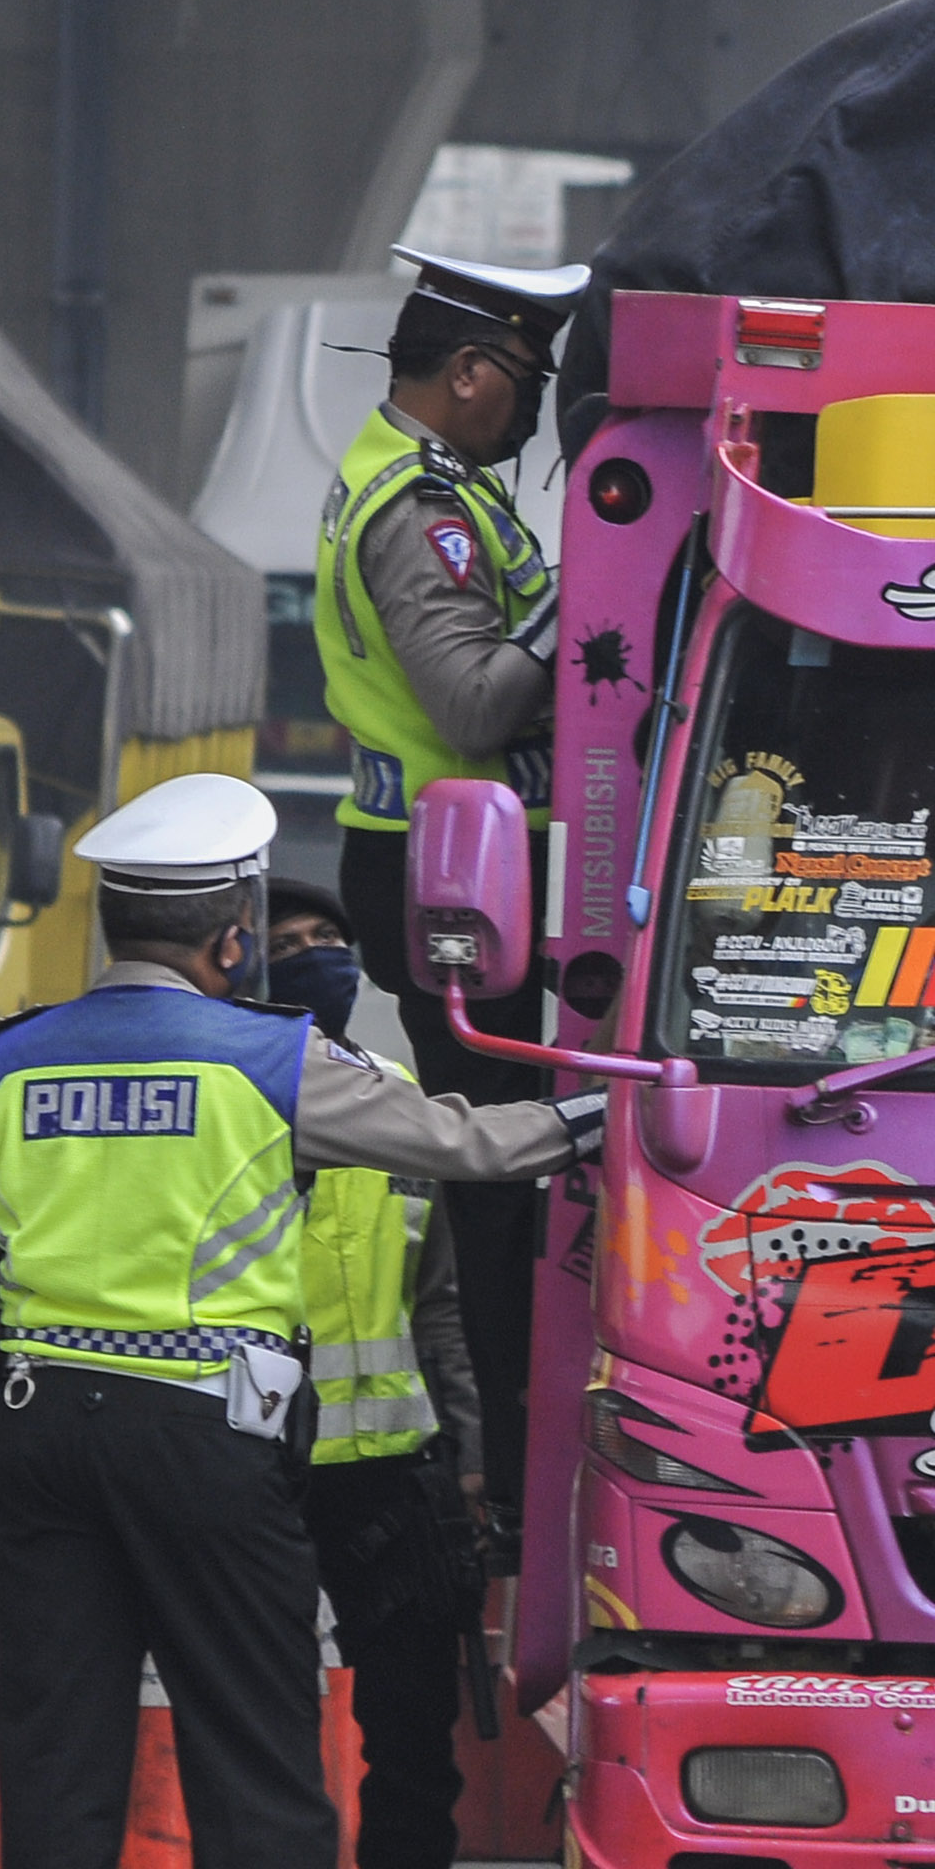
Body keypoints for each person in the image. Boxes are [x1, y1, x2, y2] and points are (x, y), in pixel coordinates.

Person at [0, 773, 587, 1869]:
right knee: (258, 1760)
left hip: (38, 1439)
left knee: (60, 1759)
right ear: (231, 929)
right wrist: (603, 1116)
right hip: (207, 1446)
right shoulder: (265, 1059)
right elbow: (468, 1142)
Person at [312, 246, 590, 1552]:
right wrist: (603, 578)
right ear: (470, 372)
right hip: (450, 869)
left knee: (519, 1161)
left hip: (461, 854)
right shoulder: (409, 510)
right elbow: (474, 699)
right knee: (501, 1174)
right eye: (526, 378)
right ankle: (523, 1476)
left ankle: (522, 1449)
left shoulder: (441, 487)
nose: (532, 406)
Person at [264, 877, 505, 1869]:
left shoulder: (403, 1103)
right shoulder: (229, 1101)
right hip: (252, 1458)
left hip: (390, 1466)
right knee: (256, 1723)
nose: (314, 958)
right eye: (286, 945)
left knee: (411, 1727)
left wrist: (464, 1454)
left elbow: (439, 1303)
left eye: (329, 941)